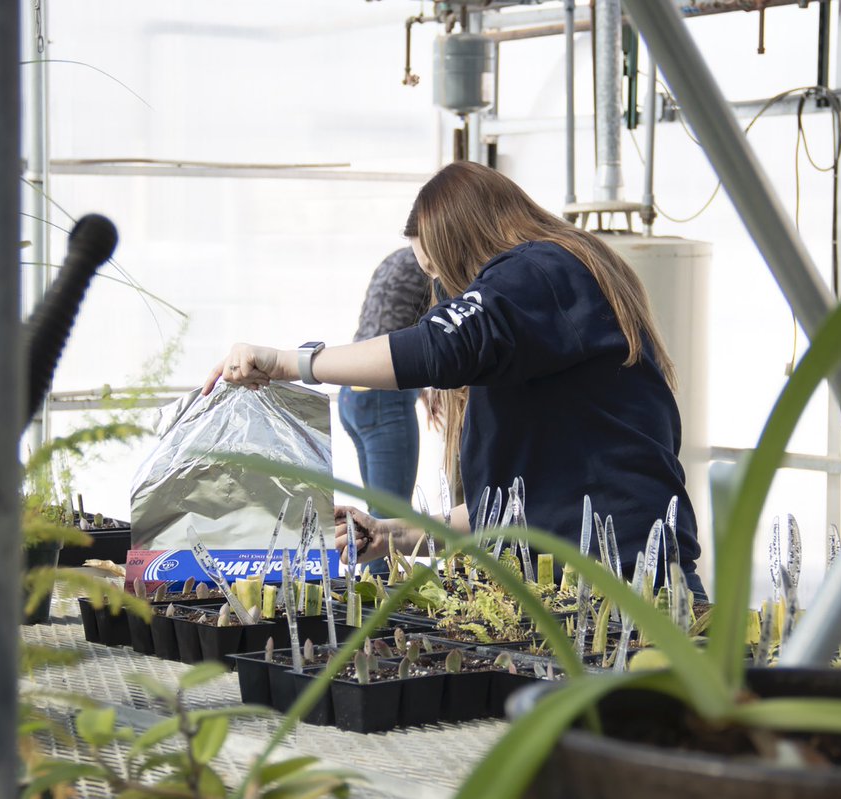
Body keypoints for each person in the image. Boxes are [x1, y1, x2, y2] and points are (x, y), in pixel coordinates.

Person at [202, 161, 705, 598]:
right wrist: (390, 535)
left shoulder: (541, 269)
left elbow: (438, 347)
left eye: (437, 268)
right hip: (586, 584)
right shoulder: (540, 324)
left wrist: (292, 363)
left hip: (624, 584)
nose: (441, 289)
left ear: (463, 243)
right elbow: (506, 509)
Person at [338, 247, 432, 516]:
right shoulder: (434, 260)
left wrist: (423, 390)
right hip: (384, 396)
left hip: (352, 393)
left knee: (377, 519)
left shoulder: (398, 257)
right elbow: (448, 337)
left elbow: (386, 325)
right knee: (391, 525)